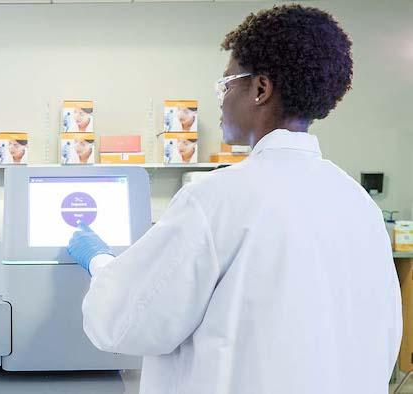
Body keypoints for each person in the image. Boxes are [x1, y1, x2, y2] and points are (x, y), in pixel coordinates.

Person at [67, 5, 401, 394]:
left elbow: (123, 323)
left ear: (260, 89)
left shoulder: (216, 199)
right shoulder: (357, 203)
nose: (221, 98)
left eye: (227, 83)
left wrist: (100, 261)